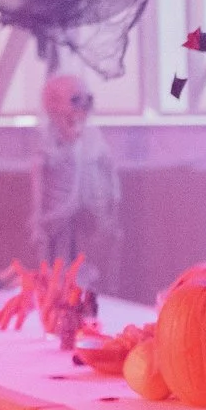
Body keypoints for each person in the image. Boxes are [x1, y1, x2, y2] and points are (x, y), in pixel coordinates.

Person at [28, 73, 121, 289]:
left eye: (88, 100)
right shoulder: (47, 146)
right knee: (56, 272)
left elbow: (110, 173)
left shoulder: (94, 139)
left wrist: (113, 208)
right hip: (55, 220)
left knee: (89, 271)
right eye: (75, 100)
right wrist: (37, 221)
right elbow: (39, 180)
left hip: (91, 222)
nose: (83, 108)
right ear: (52, 106)